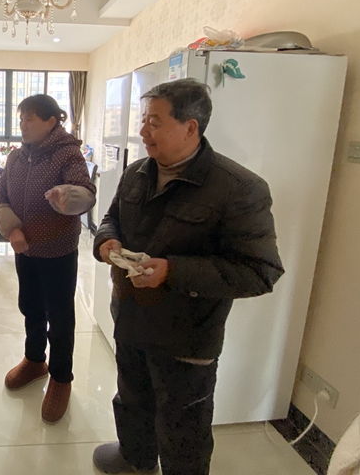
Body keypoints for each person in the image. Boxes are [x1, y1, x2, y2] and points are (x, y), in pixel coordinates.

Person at [92, 79, 284, 475]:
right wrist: (107, 241)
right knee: (131, 398)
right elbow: (112, 218)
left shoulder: (239, 188)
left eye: (154, 122)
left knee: (184, 425)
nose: (142, 131)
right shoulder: (136, 172)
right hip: (130, 316)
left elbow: (260, 271)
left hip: (186, 334)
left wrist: (172, 271)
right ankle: (135, 458)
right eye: (143, 121)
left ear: (190, 127)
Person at [0, 94, 96, 424]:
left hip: (58, 252)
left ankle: (61, 377)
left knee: (60, 316)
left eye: (30, 119)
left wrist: (68, 196)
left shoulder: (68, 153)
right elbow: (0, 197)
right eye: (21, 119)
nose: (23, 125)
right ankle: (35, 360)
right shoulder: (16, 157)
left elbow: (86, 193)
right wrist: (12, 229)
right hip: (25, 250)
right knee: (31, 307)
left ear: (51, 122)